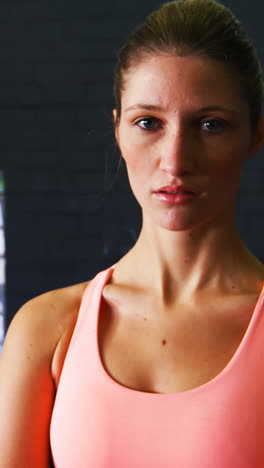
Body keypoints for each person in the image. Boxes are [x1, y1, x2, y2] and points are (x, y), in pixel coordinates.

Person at [1, 0, 264, 466]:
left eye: (210, 125)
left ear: (254, 135)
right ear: (119, 130)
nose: (176, 160)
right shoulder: (46, 331)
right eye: (149, 123)